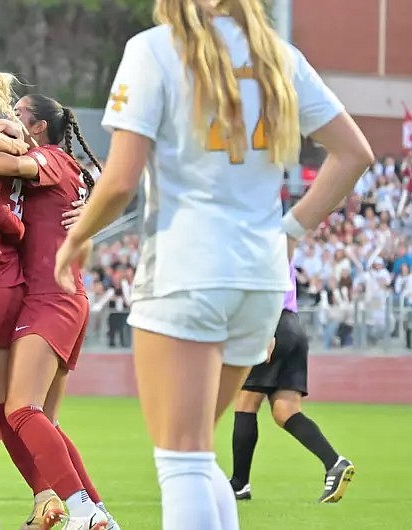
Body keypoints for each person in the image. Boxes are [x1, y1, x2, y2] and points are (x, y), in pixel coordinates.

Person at [53, 1, 374, 528]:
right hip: (261, 279)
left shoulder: (155, 49)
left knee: (181, 460)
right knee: (198, 456)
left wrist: (78, 237)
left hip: (186, 269)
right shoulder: (279, 55)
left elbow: (119, 179)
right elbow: (354, 153)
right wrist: (289, 232)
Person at [0, 93, 114, 530]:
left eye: (18, 115)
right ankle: (94, 513)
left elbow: (8, 166)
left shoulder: (50, 158)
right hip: (55, 297)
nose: (8, 120)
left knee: (16, 411)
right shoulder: (59, 168)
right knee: (30, 422)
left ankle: (81, 509)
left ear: (38, 127)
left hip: (48, 301)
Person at [230, 264, 354, 503]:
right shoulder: (281, 244)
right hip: (294, 327)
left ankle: (239, 483)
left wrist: (265, 332)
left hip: (272, 324)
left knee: (246, 401)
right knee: (285, 411)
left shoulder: (264, 244)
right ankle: (334, 463)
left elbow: (269, 286)